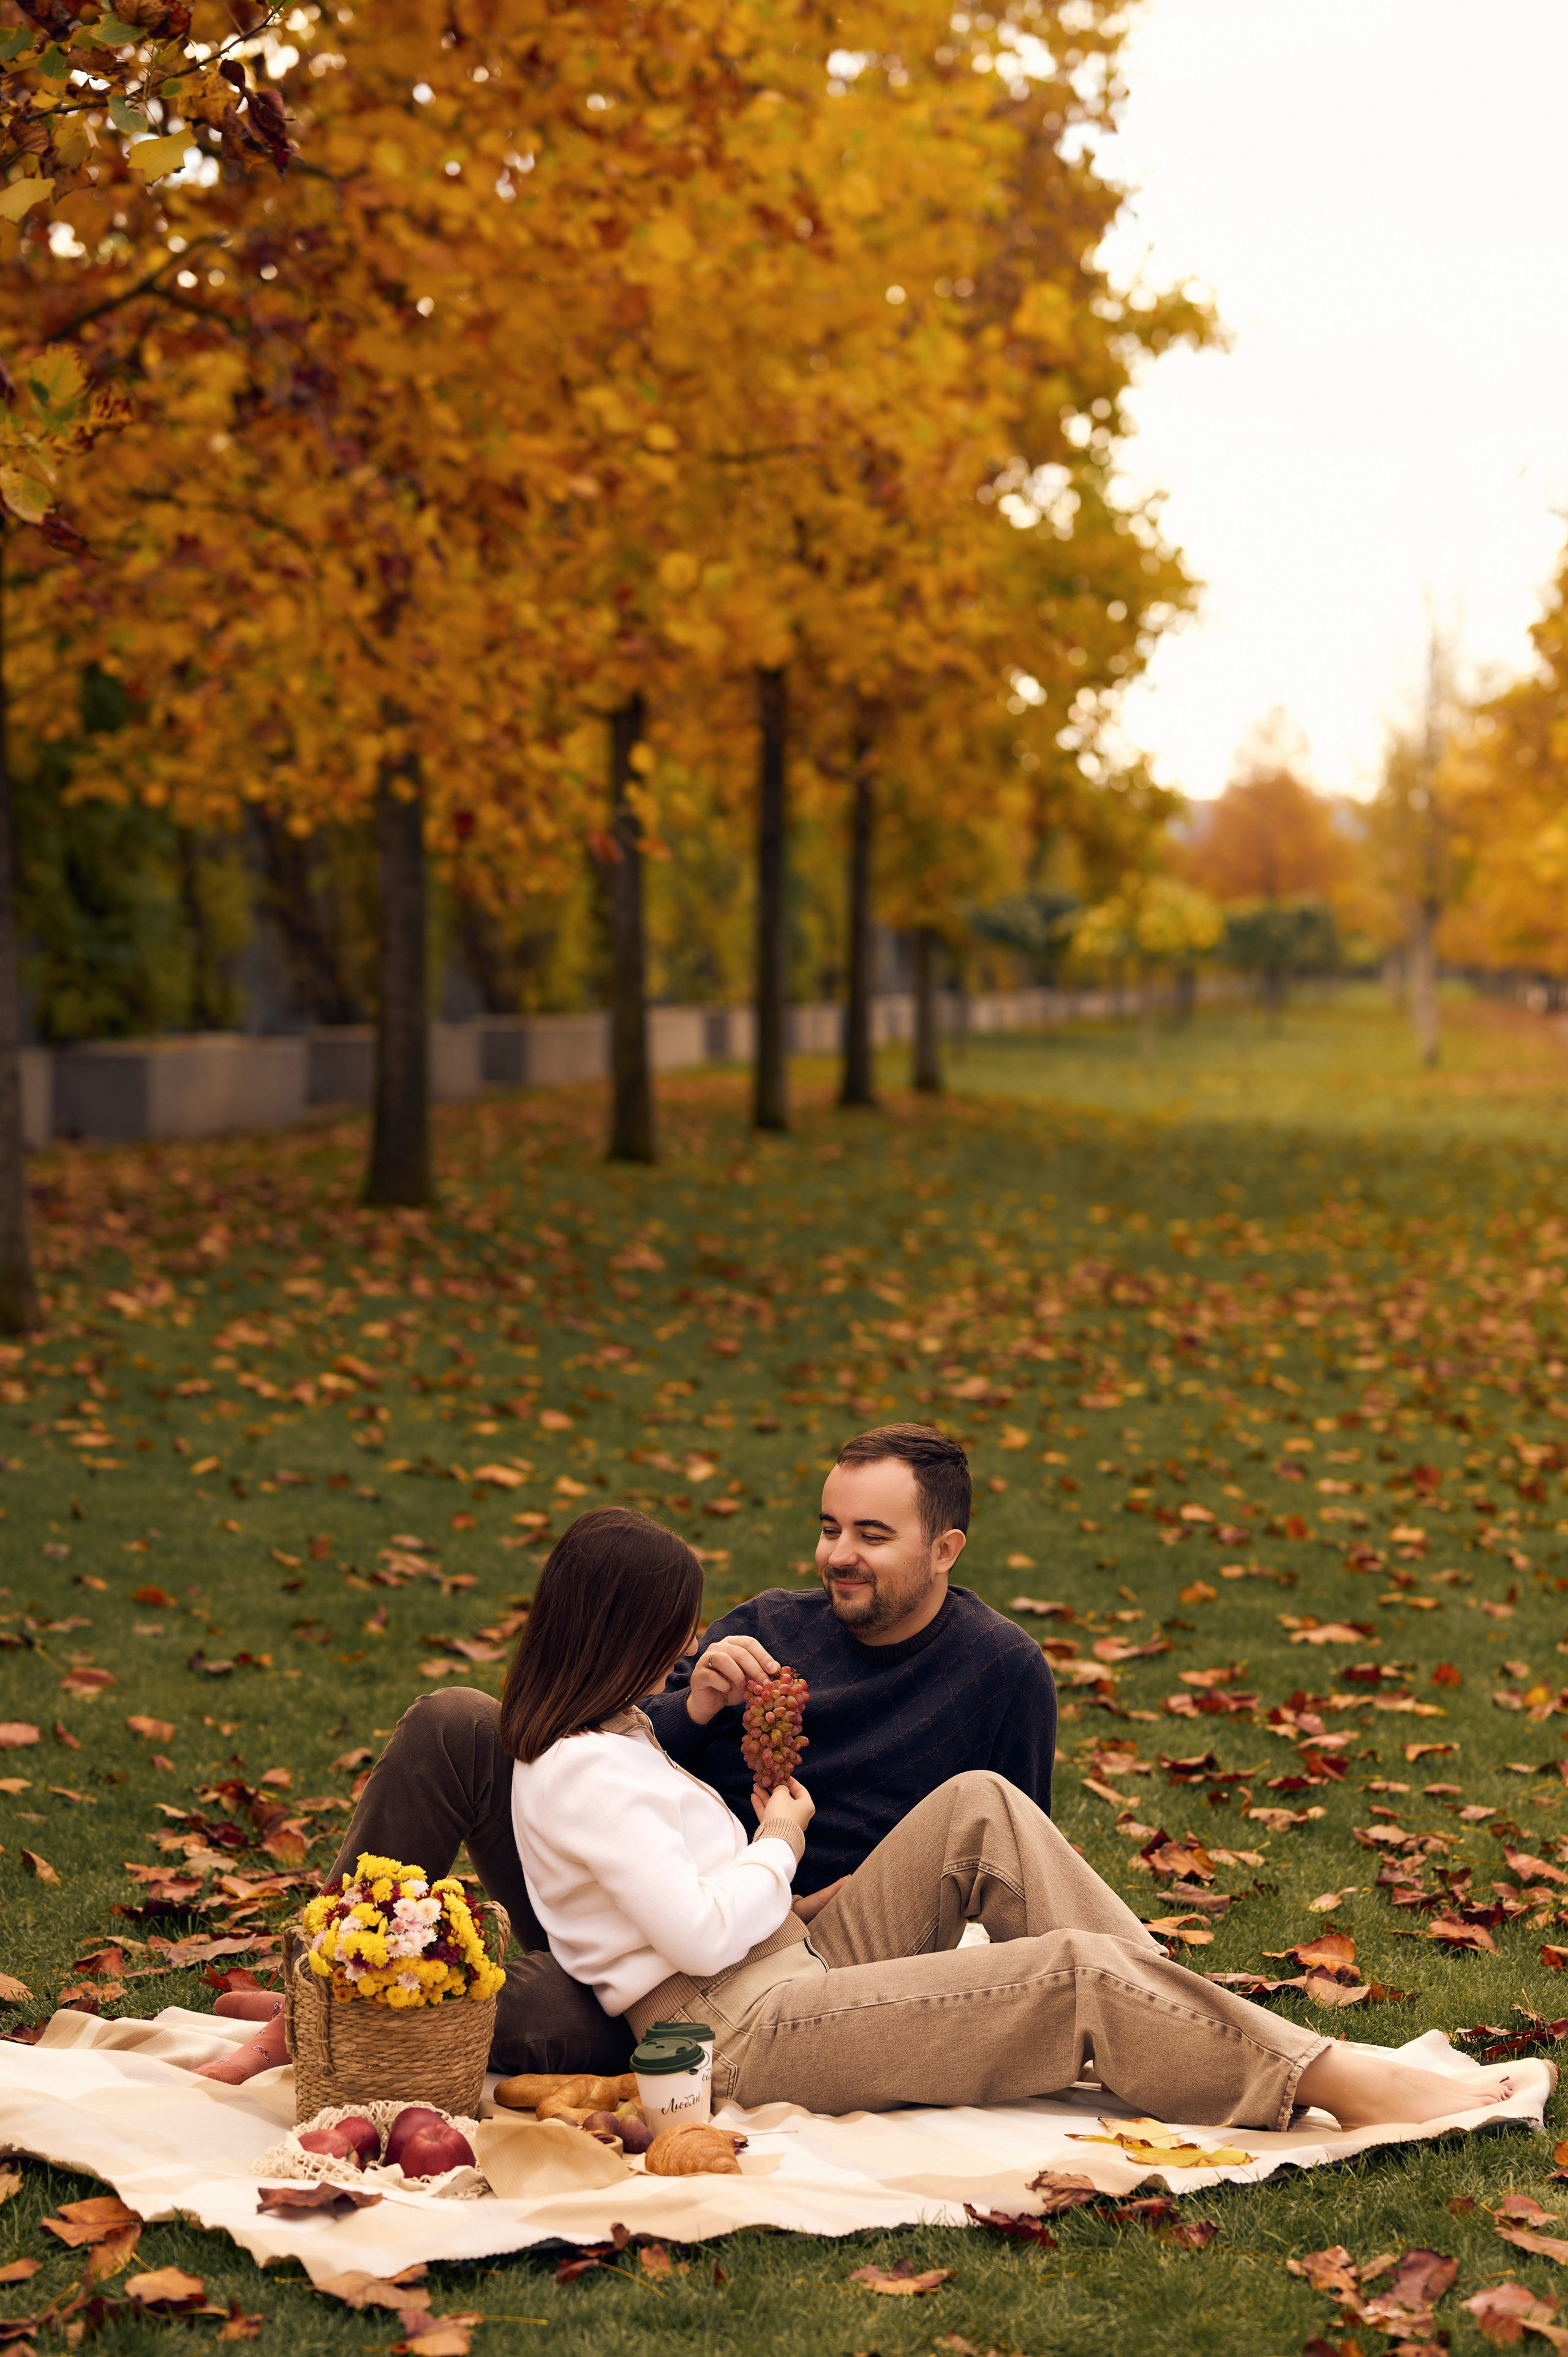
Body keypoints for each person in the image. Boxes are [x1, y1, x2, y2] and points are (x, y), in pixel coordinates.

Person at [502, 1506, 1536, 2130]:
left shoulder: (611, 1735)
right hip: (738, 2032)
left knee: (979, 1807)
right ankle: (1322, 2076)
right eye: (672, 1626)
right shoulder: (580, 1771)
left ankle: (1203, 2026)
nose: (689, 1639)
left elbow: (683, 1887)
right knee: (1071, 1974)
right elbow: (688, 1932)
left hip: (782, 1962)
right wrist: (779, 1845)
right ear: (616, 1630)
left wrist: (745, 1803)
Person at [202, 1422, 1058, 2084]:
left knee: (526, 2008)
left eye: (871, 1536)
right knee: (456, 1720)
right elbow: (608, 1753)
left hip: (759, 1964)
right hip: (626, 1884)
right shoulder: (768, 1625)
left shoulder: (1004, 1672)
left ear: (944, 1549)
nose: (839, 1556)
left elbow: (1008, 1862)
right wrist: (695, 1704)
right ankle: (331, 1972)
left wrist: (827, 1896)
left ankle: (359, 2005)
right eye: (829, 1528)